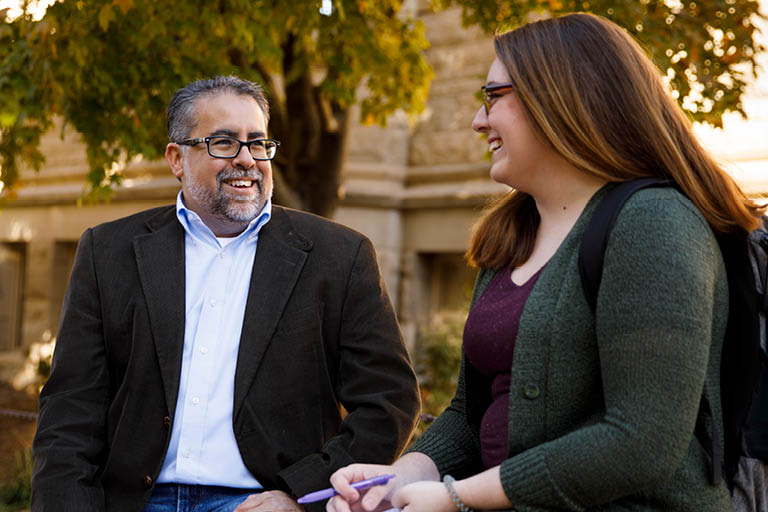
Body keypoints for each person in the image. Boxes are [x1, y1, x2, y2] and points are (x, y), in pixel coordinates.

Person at [326, 12, 765, 512]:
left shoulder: (654, 222)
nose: (477, 120)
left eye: (493, 96)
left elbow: (643, 440)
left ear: (559, 96)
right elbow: (471, 416)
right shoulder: (511, 234)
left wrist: (456, 496)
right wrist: (396, 479)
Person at [31, 75, 420, 512]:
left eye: (257, 143)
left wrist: (302, 496)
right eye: (223, 143)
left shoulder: (339, 257)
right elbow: (69, 412)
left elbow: (389, 402)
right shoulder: (107, 252)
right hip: (134, 502)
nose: (247, 160)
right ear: (177, 158)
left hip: (265, 503)